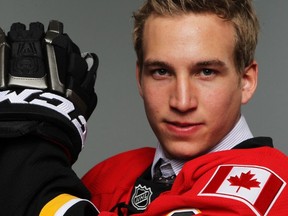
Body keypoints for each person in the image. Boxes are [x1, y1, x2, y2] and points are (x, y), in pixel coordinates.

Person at [0, 1, 287, 216]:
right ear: (139, 78)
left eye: (207, 72)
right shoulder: (111, 174)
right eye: (161, 71)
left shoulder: (269, 185)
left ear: (246, 81)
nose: (182, 101)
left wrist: (29, 148)